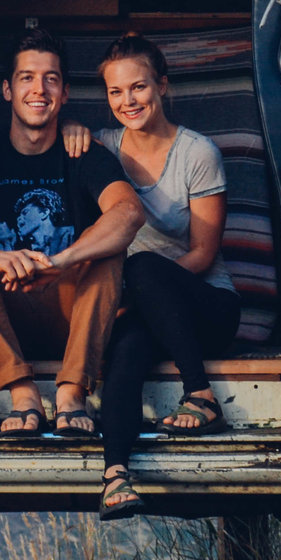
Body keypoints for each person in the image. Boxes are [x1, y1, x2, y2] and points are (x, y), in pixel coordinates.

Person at [0, 30, 145, 442]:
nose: (39, 89)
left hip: (71, 312)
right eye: (26, 78)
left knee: (107, 251)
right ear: (7, 90)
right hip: (3, 314)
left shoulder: (84, 153)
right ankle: (24, 394)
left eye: (51, 78)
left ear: (65, 92)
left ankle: (72, 393)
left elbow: (129, 213)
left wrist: (64, 260)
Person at [62, 33, 241, 519]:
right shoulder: (103, 148)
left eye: (138, 88)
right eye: (116, 92)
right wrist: (72, 127)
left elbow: (204, 255)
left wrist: (136, 292)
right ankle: (116, 474)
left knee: (139, 266)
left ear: (161, 86)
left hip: (206, 308)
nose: (128, 101)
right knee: (126, 352)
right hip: (145, 309)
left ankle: (199, 393)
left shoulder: (197, 153)